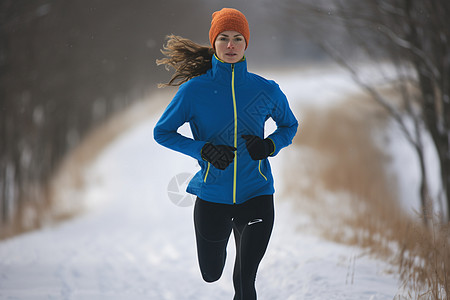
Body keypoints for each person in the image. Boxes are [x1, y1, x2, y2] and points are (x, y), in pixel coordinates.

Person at [153, 7, 298, 300]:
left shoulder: (265, 90)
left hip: (256, 195)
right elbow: (162, 132)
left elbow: (289, 125)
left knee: (245, 280)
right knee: (211, 273)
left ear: (246, 44)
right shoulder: (194, 91)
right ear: (214, 43)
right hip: (212, 198)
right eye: (223, 38)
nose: (230, 45)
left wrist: (269, 145)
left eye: (237, 38)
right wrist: (202, 150)